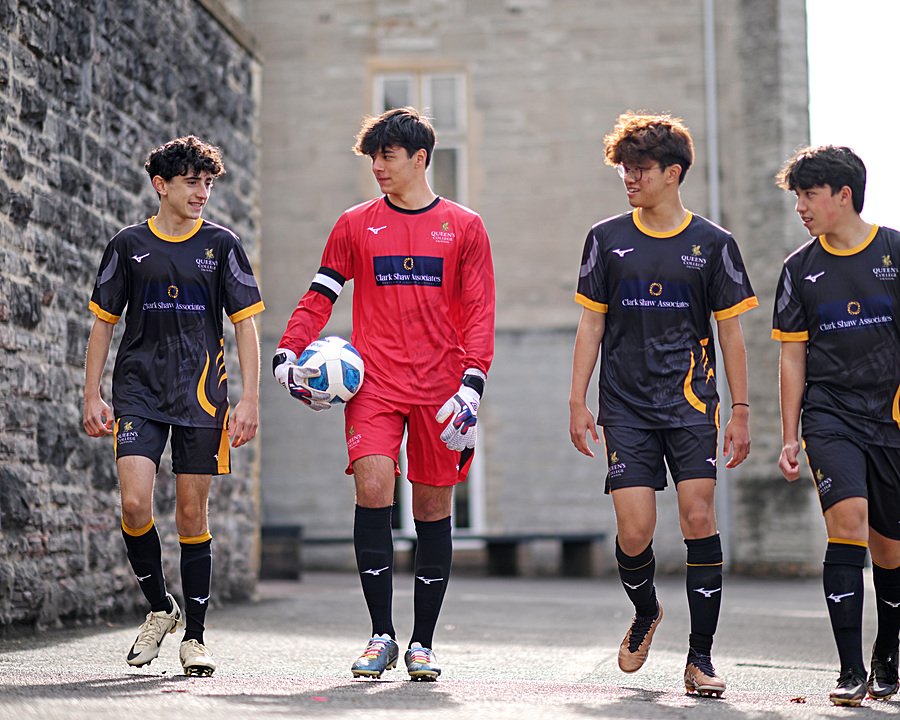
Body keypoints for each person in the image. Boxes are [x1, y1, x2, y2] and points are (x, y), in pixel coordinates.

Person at [273, 106, 495, 682]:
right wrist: (288, 350)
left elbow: (479, 312)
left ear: (421, 158)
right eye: (372, 157)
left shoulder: (465, 226)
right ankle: (380, 635)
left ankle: (423, 642)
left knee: (430, 509)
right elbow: (321, 293)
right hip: (374, 384)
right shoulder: (354, 223)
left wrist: (473, 383)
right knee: (373, 487)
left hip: (443, 388)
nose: (378, 166)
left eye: (388, 156)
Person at [569, 111, 757, 697]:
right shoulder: (605, 239)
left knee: (698, 517)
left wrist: (744, 409)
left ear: (673, 173)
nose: (629, 177)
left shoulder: (714, 244)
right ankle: (646, 610)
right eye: (623, 168)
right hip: (624, 406)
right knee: (634, 530)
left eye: (641, 169)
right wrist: (576, 401)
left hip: (692, 405)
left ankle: (700, 659)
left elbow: (730, 333)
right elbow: (590, 325)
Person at [83, 135, 264, 677]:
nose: (202, 192)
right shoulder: (127, 244)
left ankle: (197, 639)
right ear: (161, 185)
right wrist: (91, 392)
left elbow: (246, 326)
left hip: (202, 396)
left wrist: (250, 399)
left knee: (191, 514)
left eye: (208, 183)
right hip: (138, 392)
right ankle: (162, 607)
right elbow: (102, 325)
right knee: (136, 505)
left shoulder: (223, 245)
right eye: (192, 182)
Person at [773, 145, 900, 707]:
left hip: (891, 419)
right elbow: (793, 356)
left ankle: (887, 658)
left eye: (809, 195)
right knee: (847, 522)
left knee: (891, 550)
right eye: (797, 195)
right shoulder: (799, 269)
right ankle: (850, 670)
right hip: (831, 417)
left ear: (842, 195)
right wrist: (789, 434)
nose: (800, 206)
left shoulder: (895, 251)